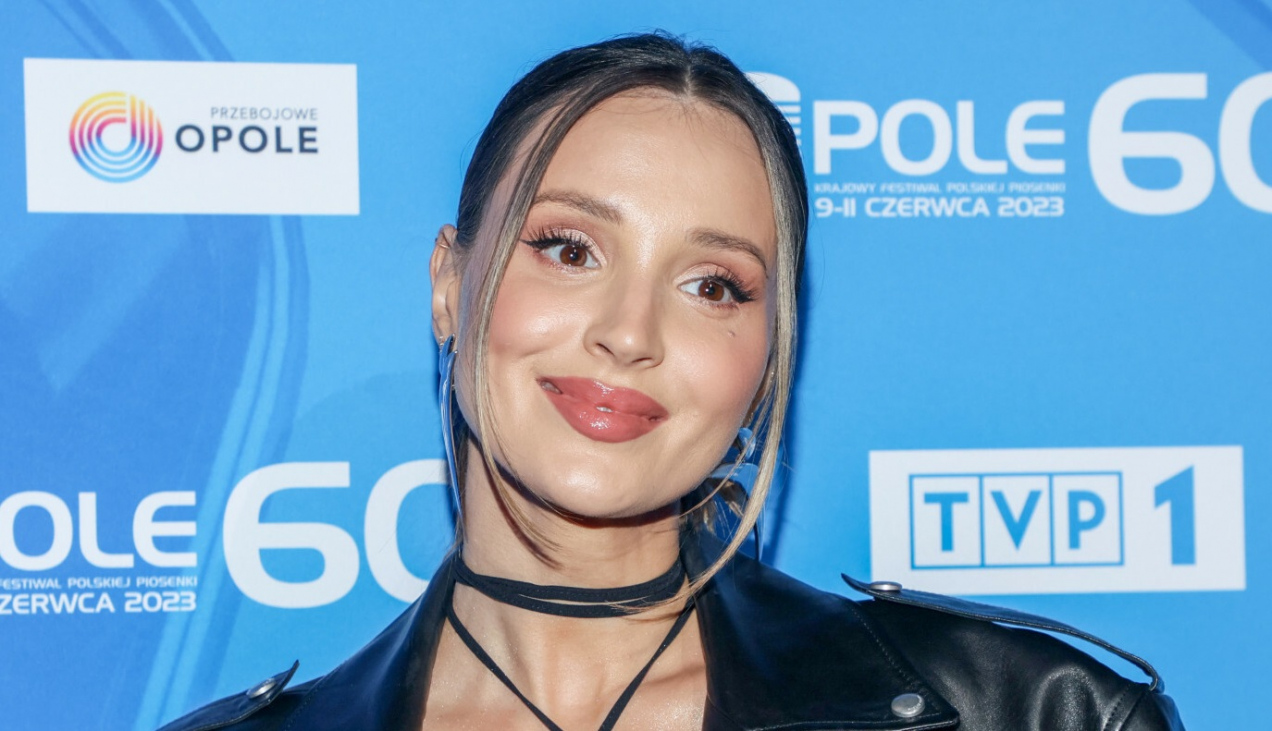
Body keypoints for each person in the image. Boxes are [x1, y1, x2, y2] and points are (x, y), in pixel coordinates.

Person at [160, 33, 1184, 731]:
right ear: (447, 283)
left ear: (769, 352)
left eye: (713, 285)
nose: (628, 333)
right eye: (569, 249)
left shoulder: (1040, 713)